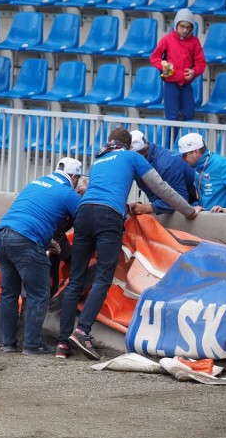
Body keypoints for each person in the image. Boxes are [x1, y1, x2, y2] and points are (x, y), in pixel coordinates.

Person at [57, 128, 202, 361]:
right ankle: (82, 331)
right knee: (103, 277)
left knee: (76, 278)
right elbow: (161, 188)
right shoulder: (132, 156)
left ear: (109, 142)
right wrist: (188, 210)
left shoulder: (99, 159)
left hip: (84, 213)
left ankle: (62, 345)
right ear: (129, 145)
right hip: (108, 216)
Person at [0, 157, 83, 355]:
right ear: (74, 176)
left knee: (8, 292)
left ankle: (8, 344)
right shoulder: (67, 192)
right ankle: (32, 345)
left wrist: (46, 240)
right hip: (26, 239)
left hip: (3, 235)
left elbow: (34, 213)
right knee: (39, 292)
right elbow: (85, 216)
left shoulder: (35, 182)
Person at [150, 8, 206, 124]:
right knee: (171, 117)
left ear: (192, 28)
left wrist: (194, 72)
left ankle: (184, 141)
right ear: (176, 25)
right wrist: (162, 65)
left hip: (186, 84)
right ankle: (170, 142)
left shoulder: (195, 42)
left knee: (189, 113)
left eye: (188, 27)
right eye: (182, 26)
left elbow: (201, 63)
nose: (185, 30)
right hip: (170, 83)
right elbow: (154, 57)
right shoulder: (167, 40)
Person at [128, 130, 197, 216]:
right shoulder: (145, 156)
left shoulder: (166, 165)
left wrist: (149, 207)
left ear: (137, 155)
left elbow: (181, 201)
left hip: (195, 205)